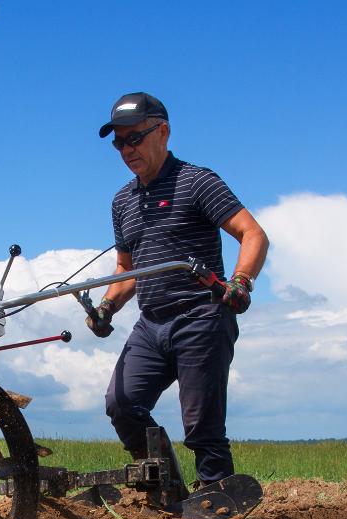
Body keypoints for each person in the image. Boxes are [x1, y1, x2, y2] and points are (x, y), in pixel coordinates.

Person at [86, 92, 269, 488]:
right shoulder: (122, 201)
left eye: (134, 137)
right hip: (151, 325)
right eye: (119, 142)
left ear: (163, 131)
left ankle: (217, 500)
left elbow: (252, 234)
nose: (126, 149)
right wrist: (106, 306)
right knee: (122, 403)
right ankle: (164, 486)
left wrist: (241, 282)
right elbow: (126, 270)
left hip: (201, 316)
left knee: (201, 424)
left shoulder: (198, 182)